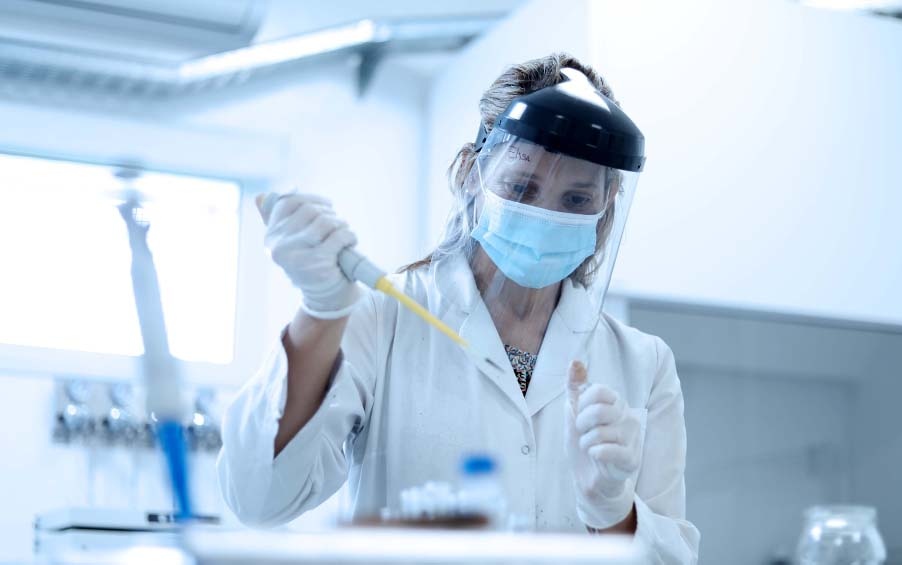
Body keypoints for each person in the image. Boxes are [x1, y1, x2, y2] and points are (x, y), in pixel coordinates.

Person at [218, 53, 700, 564]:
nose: (545, 216)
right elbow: (258, 498)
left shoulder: (643, 363)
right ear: (472, 173)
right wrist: (320, 312)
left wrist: (616, 513)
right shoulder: (384, 317)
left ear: (608, 202)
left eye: (576, 200)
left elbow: (673, 559)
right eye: (521, 187)